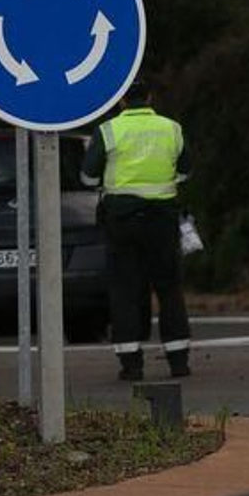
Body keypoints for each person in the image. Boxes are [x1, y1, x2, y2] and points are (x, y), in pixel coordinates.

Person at [81, 80, 193, 381]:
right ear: (150, 97)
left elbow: (87, 177)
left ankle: (131, 364)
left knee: (125, 290)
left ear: (121, 101)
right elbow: (186, 171)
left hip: (122, 219)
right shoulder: (171, 128)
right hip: (162, 218)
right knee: (169, 288)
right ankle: (178, 361)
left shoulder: (109, 130)